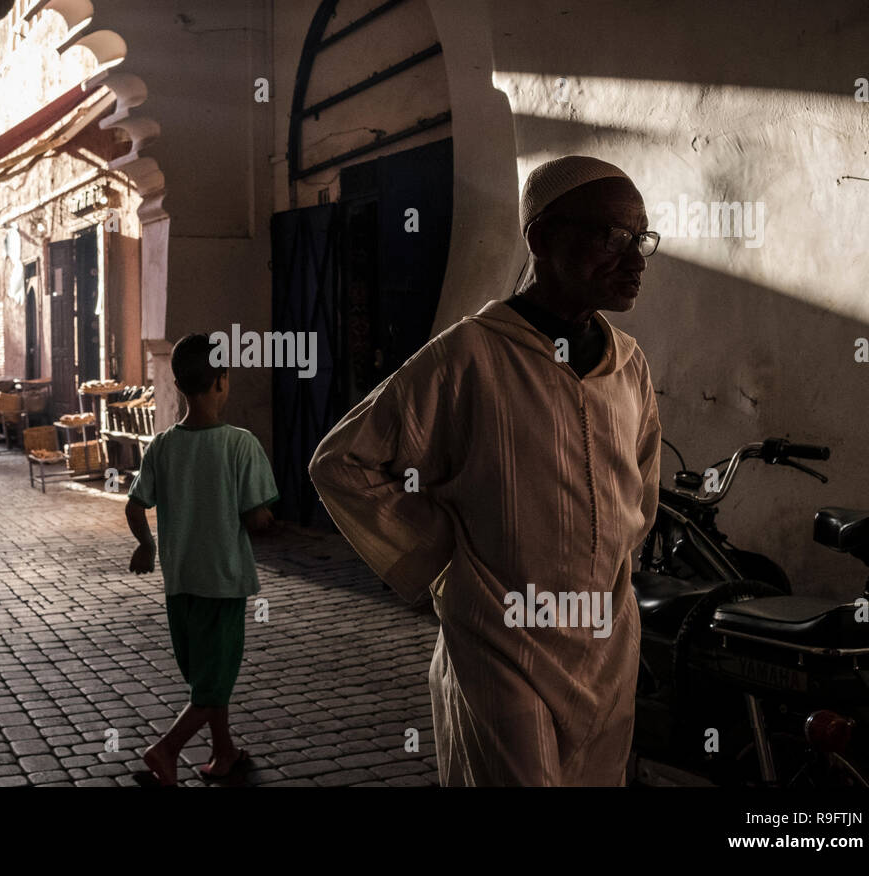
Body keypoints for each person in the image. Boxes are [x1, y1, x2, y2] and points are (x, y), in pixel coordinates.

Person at [309, 155, 663, 786]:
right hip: (504, 644)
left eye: (640, 239)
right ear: (542, 238)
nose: (633, 258)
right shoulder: (469, 356)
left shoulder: (627, 365)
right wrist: (444, 557)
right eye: (611, 237)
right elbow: (345, 461)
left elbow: (639, 495)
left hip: (607, 646)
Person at [125, 333, 280, 786]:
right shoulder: (241, 444)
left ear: (177, 385)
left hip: (180, 585)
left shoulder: (163, 447)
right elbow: (256, 518)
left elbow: (136, 506)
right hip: (223, 582)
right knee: (214, 682)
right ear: (221, 382)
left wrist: (146, 546)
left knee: (208, 675)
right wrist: (271, 520)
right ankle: (165, 750)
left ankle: (224, 750)